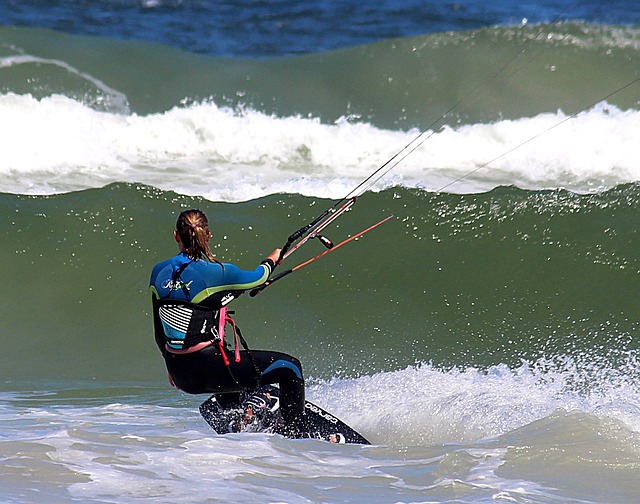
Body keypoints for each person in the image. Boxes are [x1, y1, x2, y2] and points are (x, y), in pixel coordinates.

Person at [149, 208, 306, 434]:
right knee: (291, 368)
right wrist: (273, 259)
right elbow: (259, 277)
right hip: (209, 370)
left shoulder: (158, 272)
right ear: (208, 235)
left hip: (181, 375)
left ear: (176, 236)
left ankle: (239, 416)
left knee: (225, 358)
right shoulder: (219, 272)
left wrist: (172, 365)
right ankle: (295, 433)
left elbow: (159, 333)